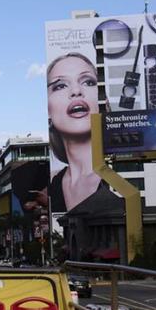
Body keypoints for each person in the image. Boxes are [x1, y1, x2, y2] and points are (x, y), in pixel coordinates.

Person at [46, 53, 118, 213]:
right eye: (60, 86)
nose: (76, 91)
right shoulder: (55, 185)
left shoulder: (120, 172)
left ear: (102, 101)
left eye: (88, 82)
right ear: (48, 109)